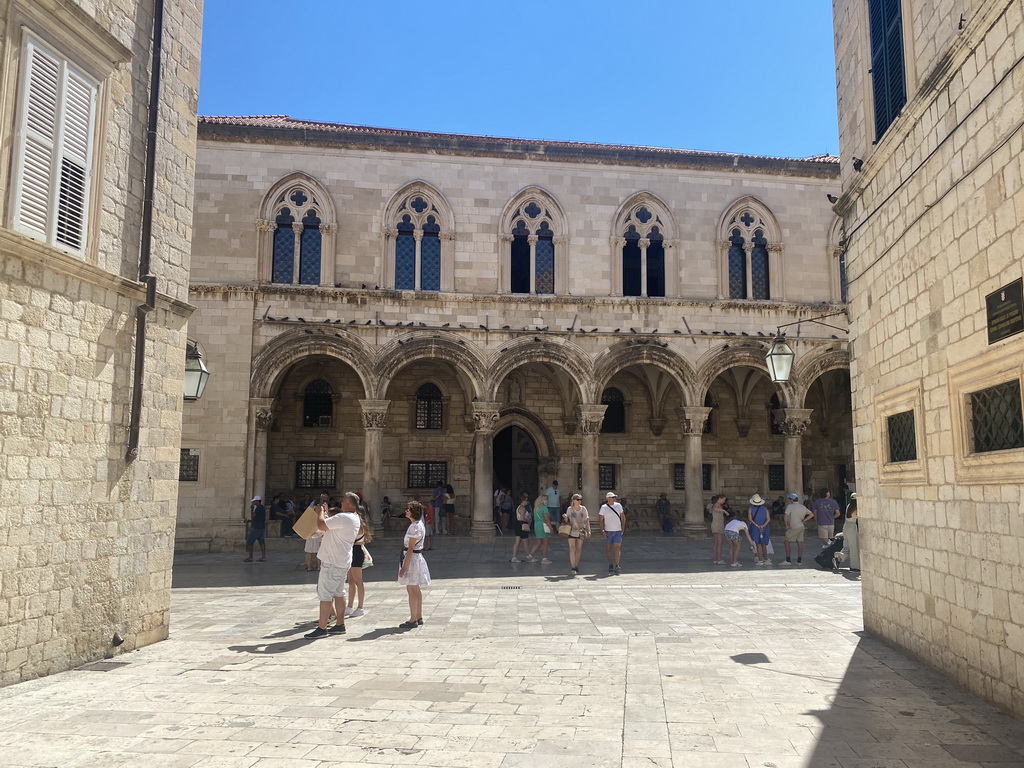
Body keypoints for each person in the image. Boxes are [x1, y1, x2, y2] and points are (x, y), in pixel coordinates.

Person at [304, 495, 360, 638]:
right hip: (342, 561)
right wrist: (325, 513)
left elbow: (321, 525)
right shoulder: (353, 517)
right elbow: (330, 528)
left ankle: (322, 628)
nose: (341, 503)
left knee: (325, 595)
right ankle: (340, 624)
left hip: (332, 562)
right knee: (339, 593)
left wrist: (320, 512)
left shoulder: (343, 517)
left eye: (343, 501)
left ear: (348, 503)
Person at [399, 501, 430, 627]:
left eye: (408, 509)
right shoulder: (419, 524)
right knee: (415, 588)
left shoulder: (414, 527)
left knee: (411, 588)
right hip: (416, 558)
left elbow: (411, 548)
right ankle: (419, 615)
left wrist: (404, 567)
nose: (406, 511)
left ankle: (413, 619)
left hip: (412, 559)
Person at [346, 501, 374, 618]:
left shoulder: (360, 527)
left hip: (356, 552)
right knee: (351, 581)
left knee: (358, 581)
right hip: (351, 551)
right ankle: (350, 605)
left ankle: (361, 607)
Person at [782, 492, 813, 565]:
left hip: (794, 526)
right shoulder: (802, 506)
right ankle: (799, 560)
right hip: (801, 526)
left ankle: (788, 560)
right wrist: (804, 520)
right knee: (800, 542)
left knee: (786, 541)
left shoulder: (790, 506)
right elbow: (811, 514)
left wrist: (786, 525)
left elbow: (786, 516)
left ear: (792, 500)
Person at [564, 493, 591, 575]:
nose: (579, 501)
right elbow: (567, 521)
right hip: (572, 530)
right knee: (572, 548)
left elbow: (586, 520)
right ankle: (572, 567)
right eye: (578, 499)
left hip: (581, 530)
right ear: (573, 500)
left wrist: (589, 530)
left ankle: (576, 565)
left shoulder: (583, 509)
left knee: (578, 549)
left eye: (580, 499)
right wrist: (565, 518)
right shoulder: (569, 509)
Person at [599, 491, 625, 575]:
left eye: (615, 497)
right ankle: (610, 563)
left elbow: (623, 517)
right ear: (608, 498)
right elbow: (601, 519)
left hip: (617, 530)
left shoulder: (618, 506)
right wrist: (602, 530)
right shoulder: (603, 507)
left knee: (617, 548)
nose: (614, 499)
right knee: (609, 548)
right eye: (613, 497)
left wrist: (623, 527)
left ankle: (617, 564)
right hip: (608, 531)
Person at [510, 493, 536, 562]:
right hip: (522, 525)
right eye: (526, 500)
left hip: (518, 525)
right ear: (523, 501)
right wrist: (528, 520)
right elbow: (522, 518)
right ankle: (529, 556)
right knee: (526, 542)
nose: (527, 502)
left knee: (517, 541)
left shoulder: (518, 507)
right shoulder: (523, 508)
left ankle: (514, 557)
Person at [747, 494, 772, 565]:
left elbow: (750, 519)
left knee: (758, 544)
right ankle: (766, 559)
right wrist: (763, 526)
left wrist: (757, 525)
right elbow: (768, 519)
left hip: (755, 528)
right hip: (764, 527)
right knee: (764, 543)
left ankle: (760, 559)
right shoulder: (765, 509)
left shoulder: (751, 509)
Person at [243, 495, 266, 562]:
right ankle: (263, 557)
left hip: (256, 527)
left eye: (254, 501)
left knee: (250, 541)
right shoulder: (262, 508)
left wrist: (252, 509)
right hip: (261, 527)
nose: (253, 502)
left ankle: (250, 557)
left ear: (257, 501)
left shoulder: (258, 508)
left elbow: (253, 516)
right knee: (261, 542)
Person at [839, 496, 859, 571]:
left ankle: (839, 557)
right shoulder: (856, 509)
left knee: (846, 547)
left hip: (846, 526)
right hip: (851, 527)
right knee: (854, 548)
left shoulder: (848, 506)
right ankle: (855, 567)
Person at [532, 494, 554, 564]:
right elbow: (547, 519)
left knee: (538, 542)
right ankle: (544, 558)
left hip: (537, 524)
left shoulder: (536, 508)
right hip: (543, 525)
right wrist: (551, 528)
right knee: (545, 543)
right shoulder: (544, 508)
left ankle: (530, 555)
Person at [710, 494, 730, 565]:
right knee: (719, 543)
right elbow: (715, 509)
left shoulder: (718, 505)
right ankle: (719, 559)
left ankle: (716, 558)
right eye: (723, 499)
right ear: (719, 499)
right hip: (718, 525)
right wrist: (724, 511)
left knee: (716, 543)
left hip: (716, 524)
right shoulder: (717, 504)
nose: (724, 501)